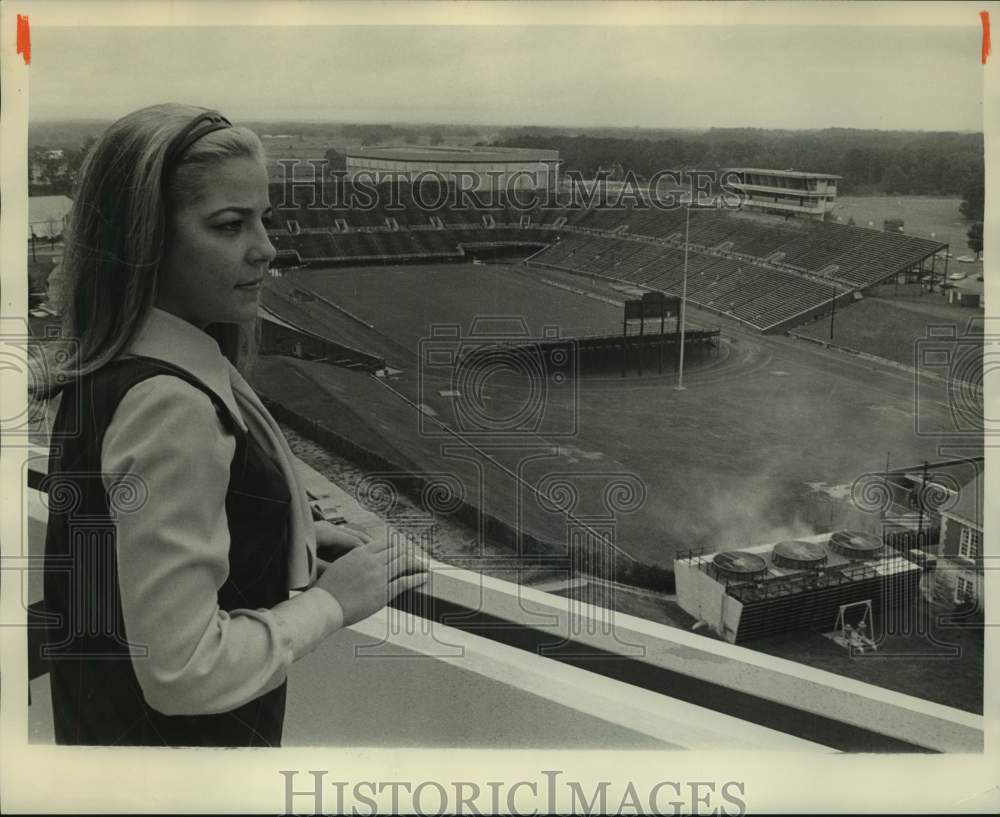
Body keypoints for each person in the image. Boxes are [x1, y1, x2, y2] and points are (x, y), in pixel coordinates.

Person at [34, 103, 428, 747]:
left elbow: (126, 546)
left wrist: (287, 531)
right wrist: (335, 602)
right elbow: (184, 671)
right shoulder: (171, 402)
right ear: (145, 241)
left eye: (263, 220)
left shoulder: (110, 369)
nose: (266, 249)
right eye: (229, 225)